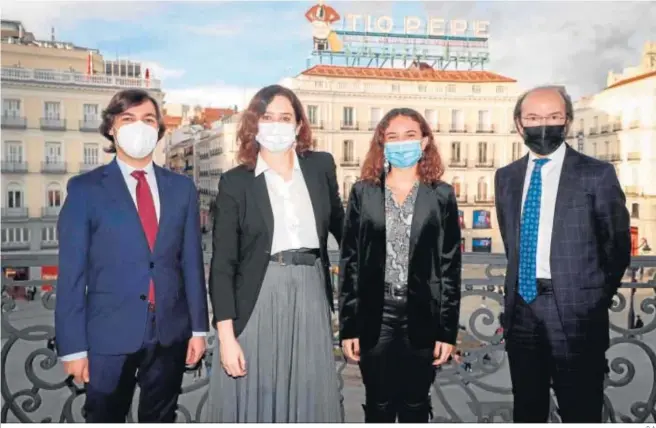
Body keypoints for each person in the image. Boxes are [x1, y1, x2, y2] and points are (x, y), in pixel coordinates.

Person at [55, 89, 209, 423]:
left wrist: (199, 329)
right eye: (128, 119)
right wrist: (72, 347)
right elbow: (71, 275)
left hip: (169, 332)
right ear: (112, 127)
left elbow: (191, 264)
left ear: (158, 129)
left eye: (148, 119)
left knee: (161, 418)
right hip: (108, 335)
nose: (139, 126)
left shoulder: (181, 189)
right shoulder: (85, 190)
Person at [205, 84, 344, 423]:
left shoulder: (320, 167)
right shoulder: (235, 182)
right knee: (257, 394)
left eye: (286, 117)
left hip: (311, 292)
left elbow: (348, 231)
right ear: (254, 124)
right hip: (258, 298)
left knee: (309, 394)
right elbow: (222, 264)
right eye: (268, 117)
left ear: (299, 125)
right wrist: (226, 336)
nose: (277, 124)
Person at [494, 85, 631, 423]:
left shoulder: (596, 174)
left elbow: (616, 247)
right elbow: (511, 240)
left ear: (568, 122)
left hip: (576, 313)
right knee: (527, 407)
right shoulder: (506, 178)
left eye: (553, 117)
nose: (544, 125)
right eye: (534, 117)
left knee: (580, 407)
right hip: (521, 310)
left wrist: (592, 297)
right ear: (518, 124)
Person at [339, 108, 462, 423]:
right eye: (392, 137)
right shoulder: (363, 193)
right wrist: (348, 326)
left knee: (415, 404)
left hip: (422, 313)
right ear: (382, 144)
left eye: (410, 135)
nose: (401, 143)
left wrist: (447, 332)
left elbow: (450, 267)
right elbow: (350, 262)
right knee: (377, 404)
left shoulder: (442, 195)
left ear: (424, 142)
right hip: (374, 314)